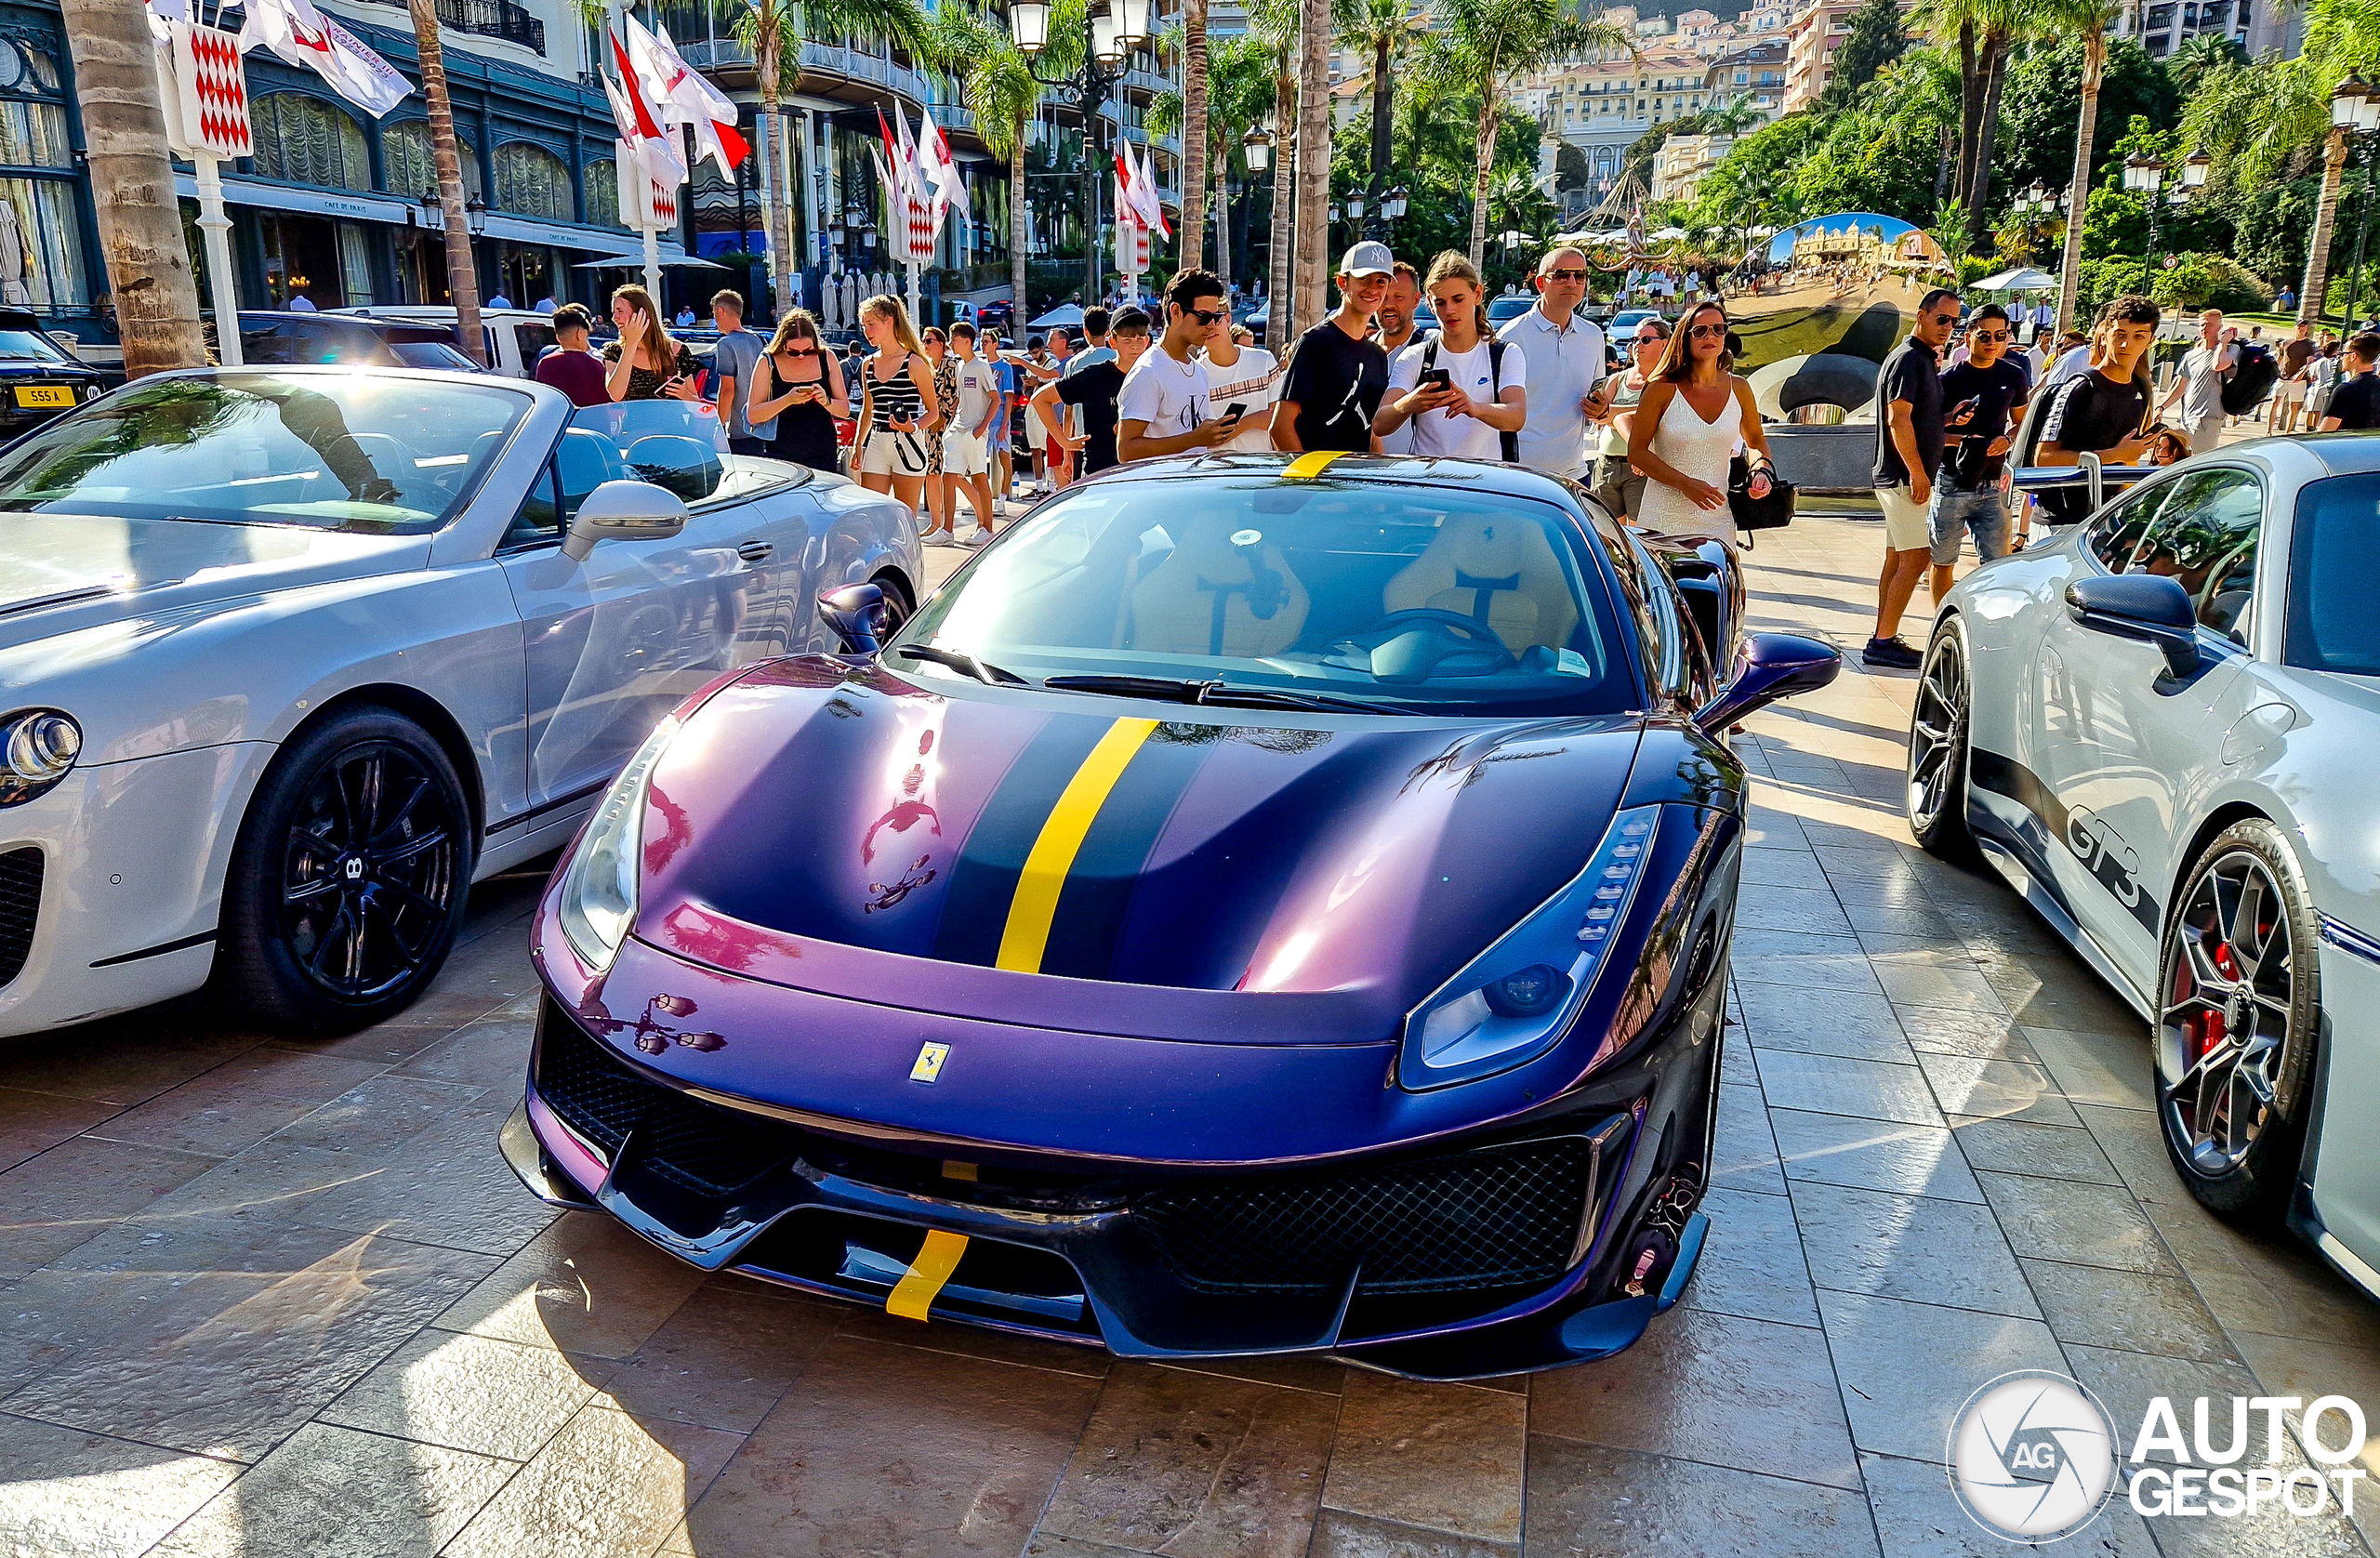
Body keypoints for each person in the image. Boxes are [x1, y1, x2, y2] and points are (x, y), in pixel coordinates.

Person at [1863, 286, 1961, 669]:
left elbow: (1915, 419)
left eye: (1954, 321)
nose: (1948, 327)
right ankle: (1884, 641)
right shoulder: (1909, 360)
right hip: (1903, 476)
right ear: (1921, 315)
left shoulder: (1919, 360)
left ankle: (1882, 636)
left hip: (1900, 474)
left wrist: (1949, 422)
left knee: (1897, 559)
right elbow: (1897, 418)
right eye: (1942, 319)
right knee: (1917, 557)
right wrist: (1918, 473)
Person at [1629, 300, 1773, 547]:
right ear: (1685, 337)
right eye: (1701, 330)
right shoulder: (1661, 389)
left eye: (1719, 329)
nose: (1711, 335)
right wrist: (1685, 484)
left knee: (1723, 586)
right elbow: (1637, 452)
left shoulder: (1739, 388)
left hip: (1717, 519)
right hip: (1663, 520)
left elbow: (1756, 441)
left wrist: (1761, 469)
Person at [1377, 251, 1528, 461]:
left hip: (1486, 484)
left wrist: (1474, 407)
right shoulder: (1416, 356)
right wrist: (1411, 403)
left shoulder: (1504, 354)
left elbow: (1516, 417)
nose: (1449, 310)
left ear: (1477, 294)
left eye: (1458, 299)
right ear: (1429, 303)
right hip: (1429, 485)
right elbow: (1380, 423)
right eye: (1440, 303)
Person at [1928, 302, 2030, 604]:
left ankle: (1988, 624)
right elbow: (1929, 435)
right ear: (1968, 335)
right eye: (1985, 336)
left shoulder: (2014, 375)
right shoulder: (1947, 381)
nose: (1993, 343)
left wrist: (2007, 440)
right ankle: (1941, 626)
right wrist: (1957, 438)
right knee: (1943, 562)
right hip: (1952, 480)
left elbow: (2021, 424)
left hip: (1994, 484)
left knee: (1997, 567)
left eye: (2001, 336)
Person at [2035, 294, 2162, 524]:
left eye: (2138, 336)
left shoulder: (2142, 390)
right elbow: (2044, 458)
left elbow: (2127, 462)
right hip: (2061, 520)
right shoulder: (2081, 386)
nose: (2126, 344)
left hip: (2108, 518)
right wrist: (2115, 455)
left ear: (2150, 341)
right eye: (2120, 334)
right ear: (2104, 335)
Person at [1274, 242, 1394, 453]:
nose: (1373, 288)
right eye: (1363, 279)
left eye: (1381, 281)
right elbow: (1280, 427)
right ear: (1342, 282)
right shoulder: (1315, 343)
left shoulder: (1378, 356)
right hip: (1315, 479)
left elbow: (1371, 432)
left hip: (1359, 480)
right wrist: (1308, 482)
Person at [1499, 246, 1606, 479]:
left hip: (1575, 476)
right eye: (1561, 275)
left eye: (1579, 276)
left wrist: (1600, 408)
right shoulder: (1511, 336)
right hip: (1520, 476)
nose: (1571, 282)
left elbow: (1598, 403)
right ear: (1540, 283)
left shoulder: (1594, 336)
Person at [1117, 271, 1240, 464]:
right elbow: (1126, 450)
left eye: (1216, 317)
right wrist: (1194, 439)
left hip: (1193, 486)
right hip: (1161, 489)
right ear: (1176, 312)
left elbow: (1198, 438)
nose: (1211, 325)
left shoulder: (1199, 371)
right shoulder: (1148, 372)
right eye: (1204, 317)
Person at [1032, 308, 1152, 479]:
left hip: (1143, 473)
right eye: (1127, 340)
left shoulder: (1154, 376)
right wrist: (1064, 442)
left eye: (1140, 339)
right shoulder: (1095, 377)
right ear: (1113, 342)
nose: (1135, 346)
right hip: (1100, 474)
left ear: (1147, 341)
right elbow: (1040, 398)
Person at [853, 293, 940, 519]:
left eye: (871, 325)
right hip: (877, 442)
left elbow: (934, 412)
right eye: (864, 326)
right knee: (871, 515)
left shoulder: (915, 363)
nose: (866, 331)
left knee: (905, 519)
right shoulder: (868, 364)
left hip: (908, 441)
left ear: (889, 321)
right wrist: (858, 444)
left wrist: (915, 426)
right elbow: (868, 409)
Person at [1586, 315, 1670, 519]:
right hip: (1607, 463)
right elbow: (1597, 416)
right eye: (1634, 340)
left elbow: (1658, 419)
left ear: (1664, 344)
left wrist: (1612, 414)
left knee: (1639, 534)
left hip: (1642, 468)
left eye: (1645, 340)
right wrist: (1629, 414)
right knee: (1608, 534)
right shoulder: (1618, 378)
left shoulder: (1667, 382)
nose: (1637, 346)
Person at [748, 308, 849, 474]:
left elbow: (844, 410)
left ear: (815, 343)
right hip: (780, 454)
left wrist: (826, 401)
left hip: (822, 451)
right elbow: (753, 415)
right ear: (783, 344)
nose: (801, 356)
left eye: (808, 351)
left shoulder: (827, 357)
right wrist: (787, 400)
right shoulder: (768, 361)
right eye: (794, 352)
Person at [941, 322, 1004, 542]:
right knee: (948, 477)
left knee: (979, 478)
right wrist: (950, 425)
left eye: (954, 340)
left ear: (967, 342)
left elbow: (996, 399)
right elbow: (961, 397)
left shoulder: (981, 367)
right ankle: (947, 531)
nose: (951, 344)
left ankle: (986, 529)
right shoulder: (960, 366)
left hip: (974, 432)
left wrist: (980, 429)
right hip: (958, 430)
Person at [602, 284, 702, 403]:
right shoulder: (615, 351)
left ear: (642, 314)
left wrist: (684, 394)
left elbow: (696, 403)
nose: (614, 318)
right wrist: (631, 343)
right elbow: (615, 395)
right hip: (634, 421)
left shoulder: (677, 350)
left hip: (671, 420)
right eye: (614, 312)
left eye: (620, 311)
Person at [2159, 310, 2238, 457]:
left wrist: (2224, 342)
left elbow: (2218, 365)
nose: (2204, 329)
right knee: (2180, 462)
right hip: (2186, 419)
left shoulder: (2231, 349)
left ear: (2220, 328)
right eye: (2201, 325)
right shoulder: (2191, 355)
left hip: (2208, 419)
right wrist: (2161, 407)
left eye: (2209, 325)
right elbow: (2179, 386)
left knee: (2198, 465)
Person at [1201, 312, 1280, 454]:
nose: (1209, 326)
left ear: (1227, 319)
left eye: (1216, 319)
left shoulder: (1264, 361)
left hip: (1260, 465)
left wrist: (1243, 424)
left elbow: (1279, 418)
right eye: (1201, 321)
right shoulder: (1195, 374)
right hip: (1214, 470)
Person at [707, 290, 774, 456]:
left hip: (739, 430)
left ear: (720, 311)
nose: (715, 320)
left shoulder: (726, 344)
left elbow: (727, 390)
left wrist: (719, 426)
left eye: (715, 314)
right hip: (761, 427)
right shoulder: (757, 340)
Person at [1375, 262, 1424, 454]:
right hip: (1364, 471)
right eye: (1384, 296)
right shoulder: (1361, 350)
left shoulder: (1431, 349)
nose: (1389, 304)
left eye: (1398, 297)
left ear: (1416, 300)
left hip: (1412, 472)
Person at [533, 302, 609, 408]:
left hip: (559, 423)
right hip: (590, 422)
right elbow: (604, 405)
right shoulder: (595, 364)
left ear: (558, 337)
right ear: (580, 334)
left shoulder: (545, 364)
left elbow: (543, 400)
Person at [2319, 332, 2380, 430]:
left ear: (2353, 356)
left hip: (2346, 444)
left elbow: (2325, 433)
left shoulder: (2345, 391)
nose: (2341, 358)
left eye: (2343, 354)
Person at [2270, 319, 2317, 433]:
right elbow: (2279, 359)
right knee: (2275, 402)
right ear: (2295, 328)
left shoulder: (2310, 345)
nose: (2302, 329)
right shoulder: (2285, 343)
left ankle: (2288, 431)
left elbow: (2310, 362)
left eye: (2304, 327)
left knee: (2294, 406)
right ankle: (2269, 430)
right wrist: (2275, 372)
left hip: (2299, 380)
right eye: (2300, 326)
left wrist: (2300, 375)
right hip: (2283, 377)